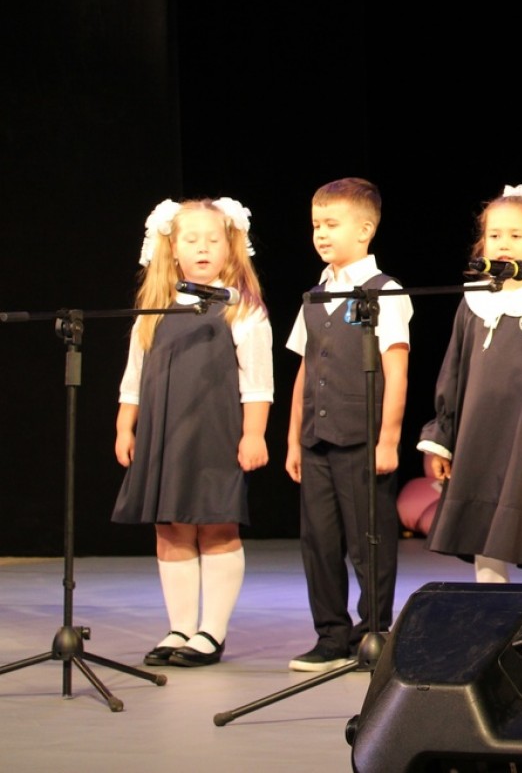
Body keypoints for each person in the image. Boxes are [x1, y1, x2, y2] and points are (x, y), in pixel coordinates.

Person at [113, 197, 272, 667]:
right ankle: (180, 626)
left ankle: (211, 631)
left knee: (216, 523)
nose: (203, 248)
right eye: (192, 239)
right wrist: (125, 426)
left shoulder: (242, 309)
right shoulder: (156, 308)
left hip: (215, 431)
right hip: (165, 431)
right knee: (170, 525)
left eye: (213, 240)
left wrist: (254, 434)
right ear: (173, 247)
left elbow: (257, 382)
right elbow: (134, 376)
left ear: (230, 247)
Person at [284, 178, 412, 672]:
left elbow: (396, 370)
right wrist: (294, 438)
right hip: (316, 438)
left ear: (364, 230)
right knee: (318, 541)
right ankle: (330, 635)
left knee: (368, 540)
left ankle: (373, 631)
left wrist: (389, 439)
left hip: (361, 438)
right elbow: (305, 368)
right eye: (316, 224)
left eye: (331, 224)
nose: (320, 233)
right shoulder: (315, 295)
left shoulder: (385, 292)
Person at [417, 185, 522, 583]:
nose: (503, 243)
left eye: (516, 235)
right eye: (495, 235)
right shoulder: (473, 301)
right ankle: (493, 609)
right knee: (482, 532)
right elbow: (453, 370)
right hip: (475, 436)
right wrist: (444, 435)